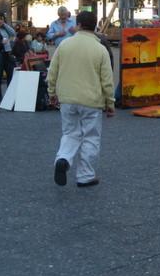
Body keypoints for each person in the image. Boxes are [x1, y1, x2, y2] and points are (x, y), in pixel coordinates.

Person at [48, 10, 114, 187]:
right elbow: (107, 80)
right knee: (91, 137)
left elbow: (52, 72)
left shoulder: (64, 45)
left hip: (67, 98)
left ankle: (63, 159)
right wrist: (110, 103)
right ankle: (85, 176)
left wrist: (52, 93)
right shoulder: (100, 49)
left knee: (70, 133)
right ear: (95, 27)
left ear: (77, 25)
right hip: (92, 101)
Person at [0, 13, 17, 85]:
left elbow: (13, 33)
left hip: (7, 52)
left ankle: (10, 88)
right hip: (0, 52)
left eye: (2, 19)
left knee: (11, 72)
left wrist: (4, 25)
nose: (0, 21)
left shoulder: (4, 28)